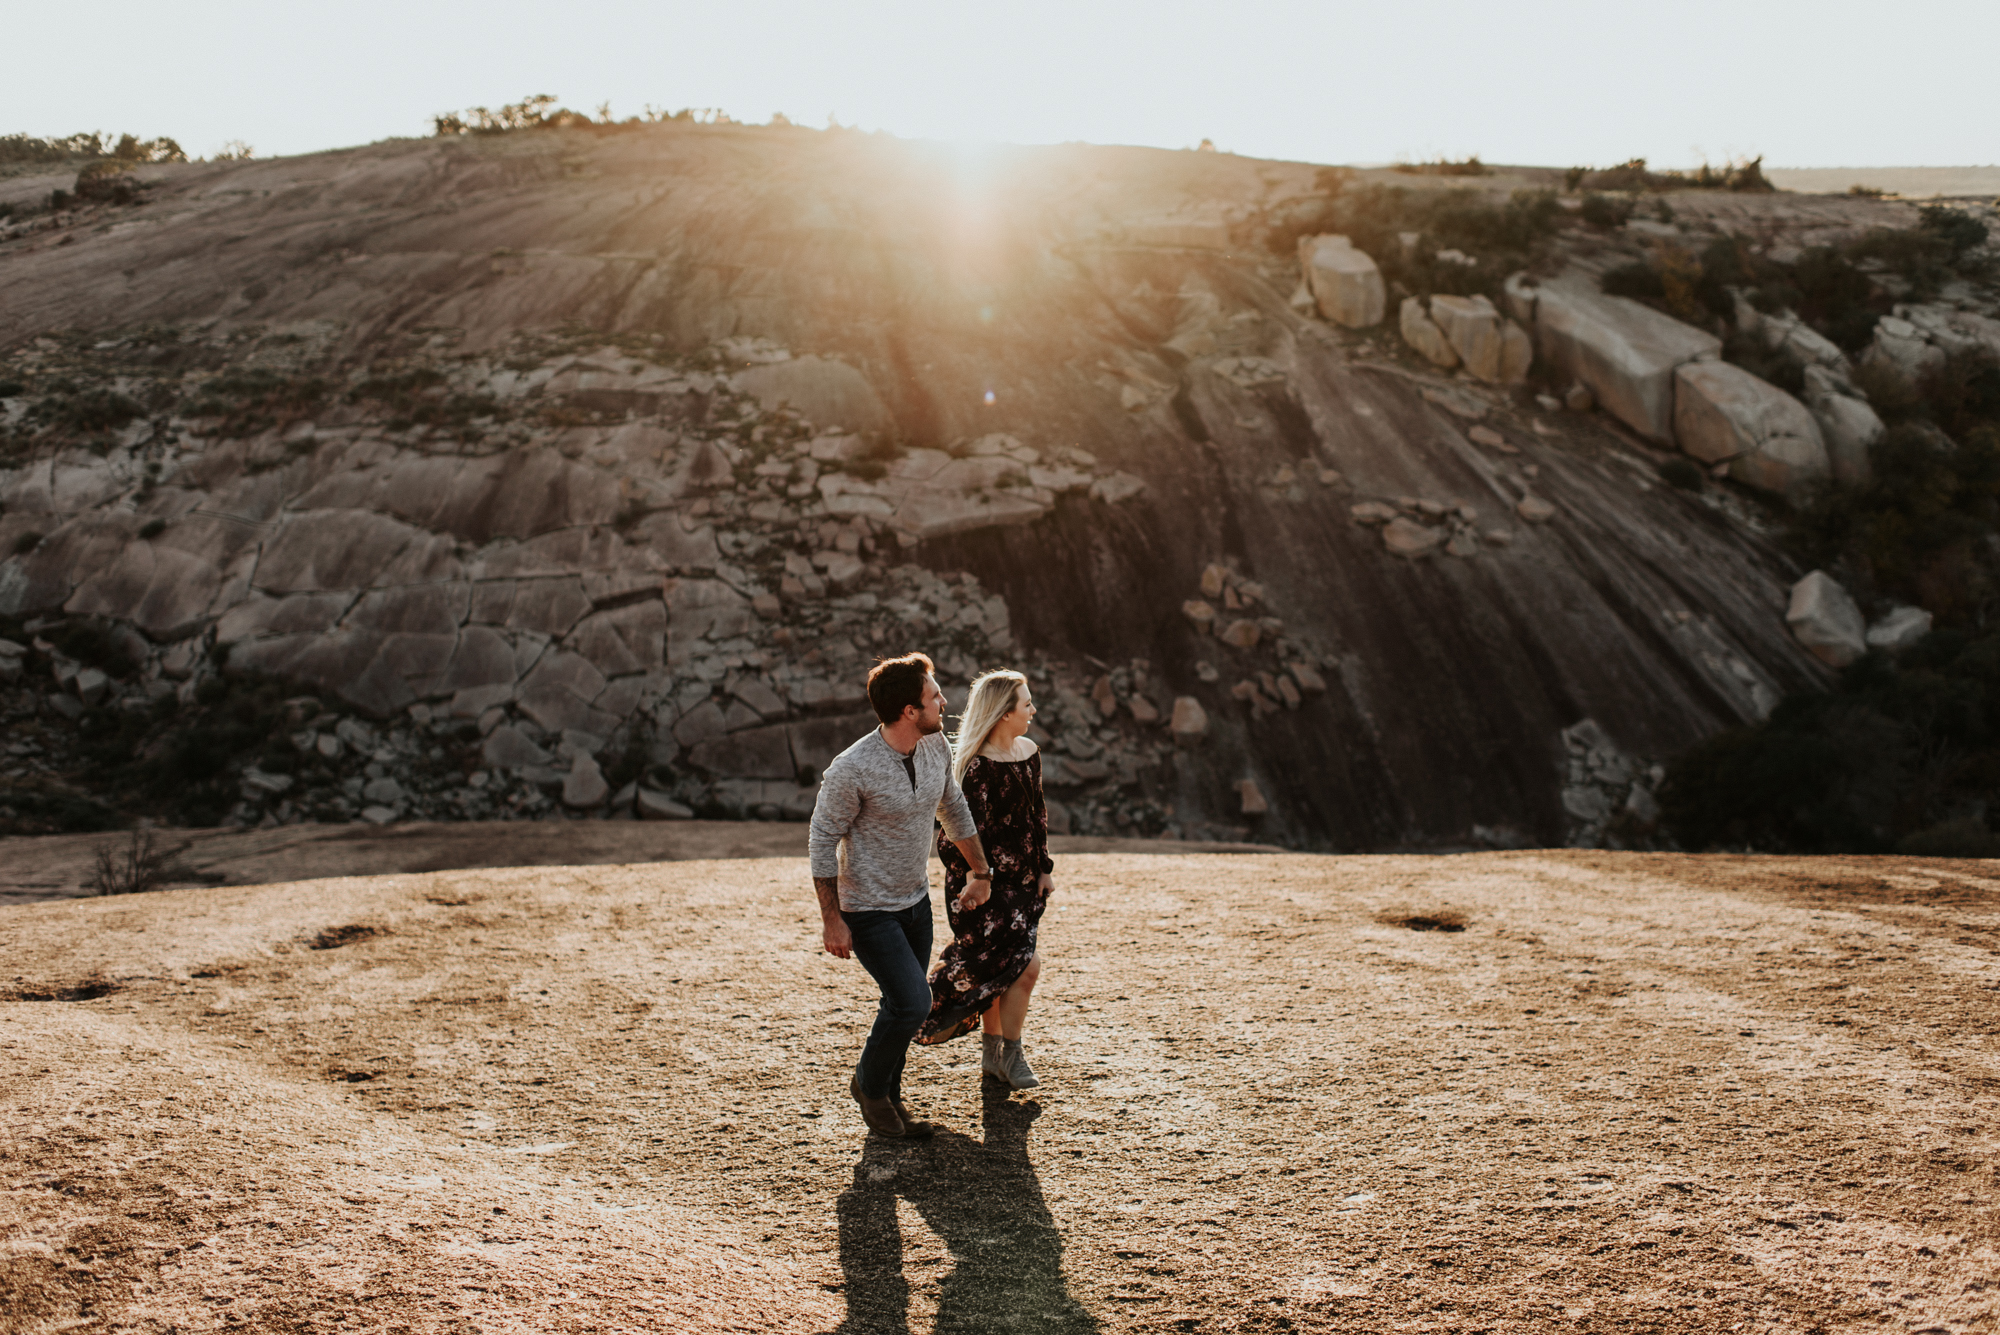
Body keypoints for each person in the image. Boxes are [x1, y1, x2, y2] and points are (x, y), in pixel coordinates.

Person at [808, 652, 994, 1140]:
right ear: (909, 711)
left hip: (916, 902)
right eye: (934, 696)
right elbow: (822, 837)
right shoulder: (852, 768)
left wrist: (982, 870)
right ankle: (869, 1088)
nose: (943, 702)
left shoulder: (935, 749)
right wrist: (832, 919)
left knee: (902, 1001)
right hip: (867, 910)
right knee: (913, 1003)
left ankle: (890, 1098)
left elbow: (953, 807)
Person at [915, 668, 1054, 1090]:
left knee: (1003, 970)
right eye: (1026, 704)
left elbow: (1037, 815)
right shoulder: (976, 769)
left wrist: (1044, 868)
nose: (1032, 710)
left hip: (1025, 884)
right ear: (1003, 713)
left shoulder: (1028, 751)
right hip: (985, 885)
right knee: (1024, 967)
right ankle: (1011, 1053)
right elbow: (955, 833)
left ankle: (994, 1055)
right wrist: (980, 879)